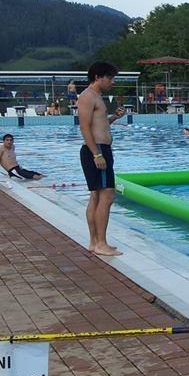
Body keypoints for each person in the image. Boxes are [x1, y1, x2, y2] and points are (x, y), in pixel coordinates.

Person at [79, 61, 126, 256]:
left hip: (99, 148)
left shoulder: (96, 96)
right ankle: (101, 243)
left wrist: (113, 117)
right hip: (97, 150)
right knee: (107, 196)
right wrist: (97, 154)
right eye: (110, 78)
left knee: (97, 196)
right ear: (98, 77)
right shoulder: (88, 96)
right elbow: (84, 127)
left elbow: (98, 125)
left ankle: (94, 242)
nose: (112, 82)